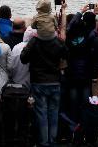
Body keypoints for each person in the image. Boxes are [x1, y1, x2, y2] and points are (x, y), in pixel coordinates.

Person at [20, 16, 68, 147]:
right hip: (55, 81)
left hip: (39, 81)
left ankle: (44, 142)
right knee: (54, 113)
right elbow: (66, 55)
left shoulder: (34, 42)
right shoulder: (58, 42)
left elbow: (23, 58)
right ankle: (52, 141)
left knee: (41, 113)